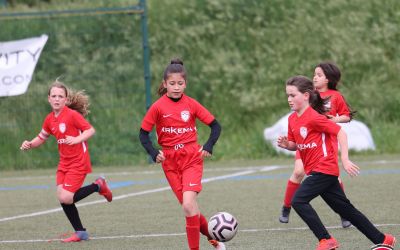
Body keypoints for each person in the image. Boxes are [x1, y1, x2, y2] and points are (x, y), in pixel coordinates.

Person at [277, 75, 395, 250]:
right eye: (287, 95)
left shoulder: (314, 117)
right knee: (346, 210)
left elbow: (341, 133)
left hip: (324, 168)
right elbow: (296, 145)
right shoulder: (292, 119)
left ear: (306, 95)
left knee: (298, 201)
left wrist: (345, 159)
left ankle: (326, 239)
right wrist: (288, 145)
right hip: (317, 171)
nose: (289, 99)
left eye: (293, 95)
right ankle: (384, 239)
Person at [139, 58, 224, 250]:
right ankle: (215, 241)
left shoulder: (191, 104)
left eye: (180, 83)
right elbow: (143, 134)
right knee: (190, 208)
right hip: (169, 162)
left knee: (187, 205)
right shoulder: (158, 107)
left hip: (191, 158)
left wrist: (209, 145)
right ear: (164, 84)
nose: (176, 87)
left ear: (185, 84)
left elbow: (215, 126)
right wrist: (153, 152)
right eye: (172, 83)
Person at [20, 81, 113, 242]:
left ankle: (97, 185)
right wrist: (30, 144)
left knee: (66, 198)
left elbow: (90, 130)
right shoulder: (49, 119)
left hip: (78, 161)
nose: (57, 99)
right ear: (48, 98)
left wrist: (77, 139)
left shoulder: (72, 115)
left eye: (60, 96)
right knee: (62, 196)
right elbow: (42, 137)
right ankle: (80, 232)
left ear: (65, 99)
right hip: (64, 163)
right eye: (54, 96)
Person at [279, 62, 355, 228]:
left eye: (319, 75)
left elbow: (347, 116)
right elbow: (301, 116)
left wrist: (336, 119)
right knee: (298, 171)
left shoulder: (335, 96)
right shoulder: (308, 94)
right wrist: (289, 143)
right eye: (314, 74)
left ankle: (344, 213)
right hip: (305, 142)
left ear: (328, 79)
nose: (315, 77)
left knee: (332, 177)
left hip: (325, 142)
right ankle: (287, 207)